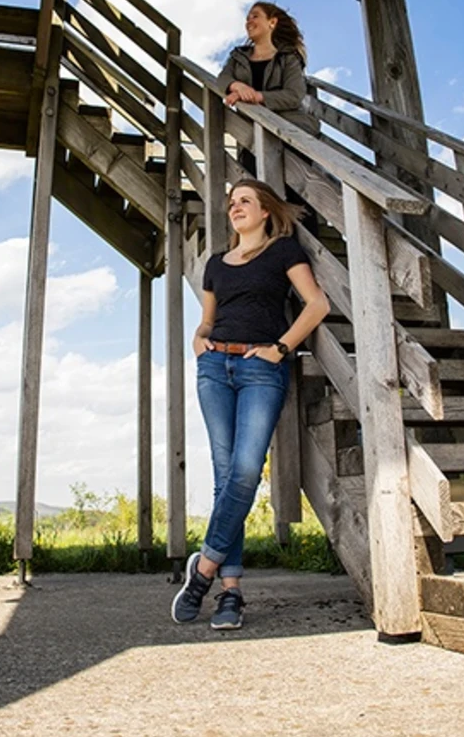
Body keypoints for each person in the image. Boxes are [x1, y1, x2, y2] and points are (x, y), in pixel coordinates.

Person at [172, 178, 330, 630]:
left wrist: (281, 348)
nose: (235, 207)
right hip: (214, 369)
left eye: (246, 201)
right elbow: (207, 320)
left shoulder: (283, 252)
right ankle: (231, 592)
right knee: (226, 480)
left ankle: (203, 569)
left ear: (265, 211)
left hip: (262, 368)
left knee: (245, 470)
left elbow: (316, 304)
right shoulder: (215, 264)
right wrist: (198, 340)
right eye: (232, 202)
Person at [214, 2, 318, 135]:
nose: (249, 22)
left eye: (255, 16)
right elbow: (223, 78)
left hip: (289, 130)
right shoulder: (238, 56)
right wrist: (238, 87)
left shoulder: (288, 57)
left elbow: (294, 95)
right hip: (251, 130)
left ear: (272, 22)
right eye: (247, 19)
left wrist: (257, 96)